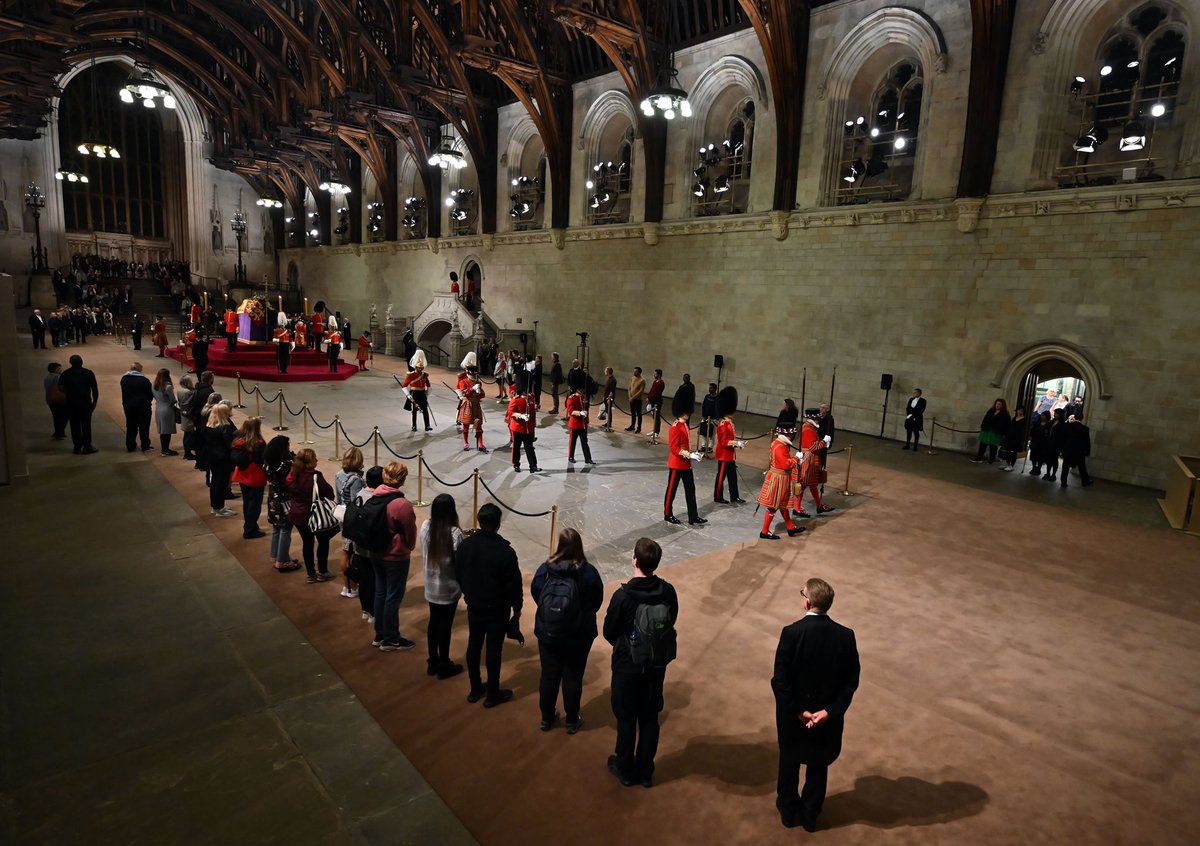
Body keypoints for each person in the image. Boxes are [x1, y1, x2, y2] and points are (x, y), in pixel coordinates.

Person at [772, 578, 860, 832]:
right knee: (818, 764)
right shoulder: (846, 636)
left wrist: (798, 710)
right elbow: (850, 682)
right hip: (826, 719)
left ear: (807, 602)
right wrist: (830, 712)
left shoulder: (792, 633)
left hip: (793, 716)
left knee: (788, 762)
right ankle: (810, 815)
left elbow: (780, 681)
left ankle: (788, 812)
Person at [603, 537, 678, 788]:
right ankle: (645, 770)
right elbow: (671, 620)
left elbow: (609, 631)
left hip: (627, 664)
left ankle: (624, 767)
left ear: (634, 559)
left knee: (626, 718)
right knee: (649, 716)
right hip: (656, 664)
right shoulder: (667, 591)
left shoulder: (623, 596)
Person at [531, 528, 604, 733]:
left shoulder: (545, 569)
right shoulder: (588, 572)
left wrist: (553, 614)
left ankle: (546, 718)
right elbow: (596, 602)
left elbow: (537, 593)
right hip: (578, 634)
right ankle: (572, 720)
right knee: (572, 676)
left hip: (548, 631)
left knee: (549, 675)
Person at [456, 503, 524, 708]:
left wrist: (468, 594)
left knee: (474, 645)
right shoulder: (505, 552)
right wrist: (517, 609)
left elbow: (458, 573)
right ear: (498, 524)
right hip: (497, 608)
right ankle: (492, 692)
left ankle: (475, 687)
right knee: (494, 650)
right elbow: (514, 584)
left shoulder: (466, 545)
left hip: (474, 604)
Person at [364, 461, 419, 651]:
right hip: (394, 556)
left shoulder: (375, 496)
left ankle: (380, 634)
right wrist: (409, 546)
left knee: (380, 592)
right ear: (402, 479)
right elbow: (410, 532)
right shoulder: (401, 504)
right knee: (393, 597)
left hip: (375, 552)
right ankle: (391, 638)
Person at [421, 493, 464, 679]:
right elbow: (459, 563)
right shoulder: (454, 534)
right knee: (445, 625)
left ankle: (433, 661)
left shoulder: (425, 527)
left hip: (431, 585)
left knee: (434, 622)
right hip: (448, 587)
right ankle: (444, 663)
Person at [287, 448, 337, 583]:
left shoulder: (293, 475)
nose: (317, 460)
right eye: (315, 458)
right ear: (309, 462)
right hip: (315, 515)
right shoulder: (315, 477)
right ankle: (322, 572)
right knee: (323, 541)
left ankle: (310, 573)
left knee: (307, 543)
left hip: (297, 515)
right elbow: (329, 493)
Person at [664, 386, 703, 525]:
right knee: (671, 490)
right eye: (685, 411)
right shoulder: (675, 426)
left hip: (686, 463)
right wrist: (689, 455)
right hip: (676, 464)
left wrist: (692, 454)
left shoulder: (684, 425)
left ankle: (693, 516)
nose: (687, 413)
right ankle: (668, 514)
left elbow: (686, 444)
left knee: (690, 490)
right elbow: (674, 448)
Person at [264, 436, 301, 572]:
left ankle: (276, 555)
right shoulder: (285, 465)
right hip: (284, 499)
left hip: (273, 498)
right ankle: (283, 561)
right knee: (286, 528)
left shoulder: (267, 463)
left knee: (276, 527)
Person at [759, 433, 804, 539]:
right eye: (791, 435)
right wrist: (796, 458)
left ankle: (790, 527)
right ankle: (764, 531)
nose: (792, 437)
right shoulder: (780, 446)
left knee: (782, 504)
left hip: (778, 477)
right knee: (774, 505)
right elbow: (786, 464)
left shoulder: (777, 443)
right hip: (779, 478)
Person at [334, 447, 366, 598]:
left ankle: (346, 586)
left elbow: (338, 498)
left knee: (345, 550)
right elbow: (356, 502)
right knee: (352, 552)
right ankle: (353, 587)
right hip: (352, 519)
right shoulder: (356, 480)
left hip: (342, 515)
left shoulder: (338, 475)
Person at [231, 417, 268, 538]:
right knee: (255, 504)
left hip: (242, 474)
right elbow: (263, 460)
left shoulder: (239, 441)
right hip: (254, 476)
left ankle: (249, 525)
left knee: (247, 502)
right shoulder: (258, 443)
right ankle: (250, 529)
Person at [713, 386, 745, 504]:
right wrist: (736, 443)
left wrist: (737, 444)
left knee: (733, 477)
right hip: (723, 455)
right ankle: (718, 496)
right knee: (721, 476)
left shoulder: (729, 423)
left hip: (730, 455)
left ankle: (734, 496)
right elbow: (723, 442)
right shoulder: (723, 424)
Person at [205, 403, 238, 517]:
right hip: (223, 459)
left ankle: (215, 506)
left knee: (214, 481)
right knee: (221, 483)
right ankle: (219, 508)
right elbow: (230, 444)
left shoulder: (209, 425)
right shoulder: (224, 427)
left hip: (212, 457)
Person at [120, 361, 154, 453]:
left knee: (131, 426)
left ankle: (130, 445)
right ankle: (145, 445)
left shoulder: (124, 379)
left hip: (128, 406)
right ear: (140, 369)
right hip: (143, 407)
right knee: (144, 426)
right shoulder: (144, 380)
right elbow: (150, 395)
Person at [506, 386, 540, 472]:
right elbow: (510, 413)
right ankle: (516, 464)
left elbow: (532, 413)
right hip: (518, 428)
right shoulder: (516, 400)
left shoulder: (531, 398)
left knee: (529, 447)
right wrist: (520, 416)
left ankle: (533, 466)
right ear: (522, 391)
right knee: (516, 447)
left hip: (528, 428)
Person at [1059, 416, 1094, 488]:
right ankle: (1085, 481)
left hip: (1068, 449)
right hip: (1079, 451)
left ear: (1074, 418)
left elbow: (1063, 439)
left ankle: (1063, 482)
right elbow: (1087, 441)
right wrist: (1087, 451)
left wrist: (1062, 449)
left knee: (1065, 466)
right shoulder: (1085, 428)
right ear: (1081, 418)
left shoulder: (1067, 426)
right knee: (1082, 467)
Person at [972, 398, 1010, 464]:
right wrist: (983, 427)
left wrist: (1001, 431)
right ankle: (979, 458)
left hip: (995, 432)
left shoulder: (1005, 414)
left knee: (993, 446)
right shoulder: (991, 411)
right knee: (983, 444)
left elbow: (1005, 424)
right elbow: (985, 418)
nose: (997, 405)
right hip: (987, 430)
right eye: (996, 404)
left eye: (999, 404)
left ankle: (991, 460)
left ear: (1002, 405)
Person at [402, 350, 433, 431]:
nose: (420, 369)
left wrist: (427, 394)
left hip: (422, 393)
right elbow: (404, 386)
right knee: (414, 410)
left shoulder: (425, 375)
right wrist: (408, 395)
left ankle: (427, 426)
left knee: (425, 410)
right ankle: (414, 426)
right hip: (414, 393)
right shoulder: (411, 375)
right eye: (419, 368)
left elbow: (428, 385)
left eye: (421, 368)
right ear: (415, 367)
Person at [459, 367, 488, 452]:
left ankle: (481, 444)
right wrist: (472, 389)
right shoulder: (463, 381)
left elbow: (482, 394)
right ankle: (466, 443)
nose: (474, 375)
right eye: (473, 373)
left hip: (476, 405)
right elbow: (465, 394)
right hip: (468, 404)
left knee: (479, 425)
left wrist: (480, 392)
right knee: (466, 425)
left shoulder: (478, 382)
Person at [152, 368, 179, 456]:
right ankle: (165, 450)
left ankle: (164, 449)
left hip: (158, 408)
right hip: (167, 409)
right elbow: (173, 400)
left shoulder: (153, 385)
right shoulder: (168, 386)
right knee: (167, 431)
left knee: (163, 430)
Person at [565, 385, 595, 465]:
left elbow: (586, 406)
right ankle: (571, 457)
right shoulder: (572, 398)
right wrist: (579, 413)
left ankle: (588, 458)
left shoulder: (584, 397)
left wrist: (586, 414)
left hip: (583, 424)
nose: (582, 390)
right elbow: (571, 411)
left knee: (584, 442)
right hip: (575, 423)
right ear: (577, 389)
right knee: (572, 442)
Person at [44, 363, 68, 441]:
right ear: (56, 369)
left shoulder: (47, 377)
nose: (61, 370)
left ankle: (58, 431)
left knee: (56, 416)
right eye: (59, 369)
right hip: (59, 399)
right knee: (64, 415)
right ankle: (60, 432)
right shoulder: (58, 377)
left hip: (50, 399)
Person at [177, 375, 197, 460]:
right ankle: (187, 453)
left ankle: (187, 452)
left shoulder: (180, 390)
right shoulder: (188, 392)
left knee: (186, 434)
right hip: (189, 415)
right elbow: (190, 405)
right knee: (189, 435)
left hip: (183, 414)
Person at [1000, 406, 1026, 472]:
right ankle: (1007, 463)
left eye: (1021, 411)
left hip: (1016, 438)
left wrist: (1019, 439)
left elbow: (1021, 431)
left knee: (1013, 452)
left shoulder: (1023, 420)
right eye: (1018, 410)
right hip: (1010, 437)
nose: (1019, 412)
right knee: (1007, 451)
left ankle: (1011, 465)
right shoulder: (1014, 418)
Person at [1028, 410, 1052, 476]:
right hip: (1035, 441)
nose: (1042, 417)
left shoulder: (1049, 424)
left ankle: (1038, 468)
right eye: (1042, 415)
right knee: (1034, 455)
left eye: (1044, 415)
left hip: (1043, 443)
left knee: (1040, 456)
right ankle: (1034, 468)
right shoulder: (1037, 423)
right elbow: (1032, 431)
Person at [699, 383, 719, 454]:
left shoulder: (718, 398)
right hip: (705, 418)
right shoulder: (707, 397)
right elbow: (704, 406)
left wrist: (714, 418)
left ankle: (710, 447)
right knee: (703, 432)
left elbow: (718, 409)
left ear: (715, 389)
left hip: (714, 419)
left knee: (712, 434)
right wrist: (704, 416)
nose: (710, 389)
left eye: (711, 388)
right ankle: (703, 446)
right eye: (709, 388)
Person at [625, 367, 646, 433]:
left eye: (636, 371)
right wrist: (630, 396)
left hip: (638, 399)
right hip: (631, 399)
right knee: (633, 413)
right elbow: (629, 388)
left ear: (639, 372)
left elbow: (641, 391)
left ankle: (639, 428)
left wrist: (632, 397)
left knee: (638, 413)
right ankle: (632, 426)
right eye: (634, 371)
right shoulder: (632, 378)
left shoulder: (642, 380)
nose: (634, 372)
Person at [646, 369, 665, 440]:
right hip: (652, 401)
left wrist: (650, 398)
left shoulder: (661, 383)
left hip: (657, 402)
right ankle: (654, 430)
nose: (654, 375)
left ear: (659, 375)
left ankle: (657, 432)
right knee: (654, 417)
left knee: (657, 417)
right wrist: (648, 397)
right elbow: (651, 390)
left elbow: (656, 393)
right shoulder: (655, 382)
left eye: (655, 374)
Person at [602, 367, 617, 432]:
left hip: (609, 398)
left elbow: (612, 390)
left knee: (609, 410)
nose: (604, 372)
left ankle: (609, 423)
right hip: (606, 397)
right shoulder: (609, 379)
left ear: (608, 372)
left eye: (605, 371)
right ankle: (608, 422)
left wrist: (609, 398)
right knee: (607, 410)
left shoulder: (613, 380)